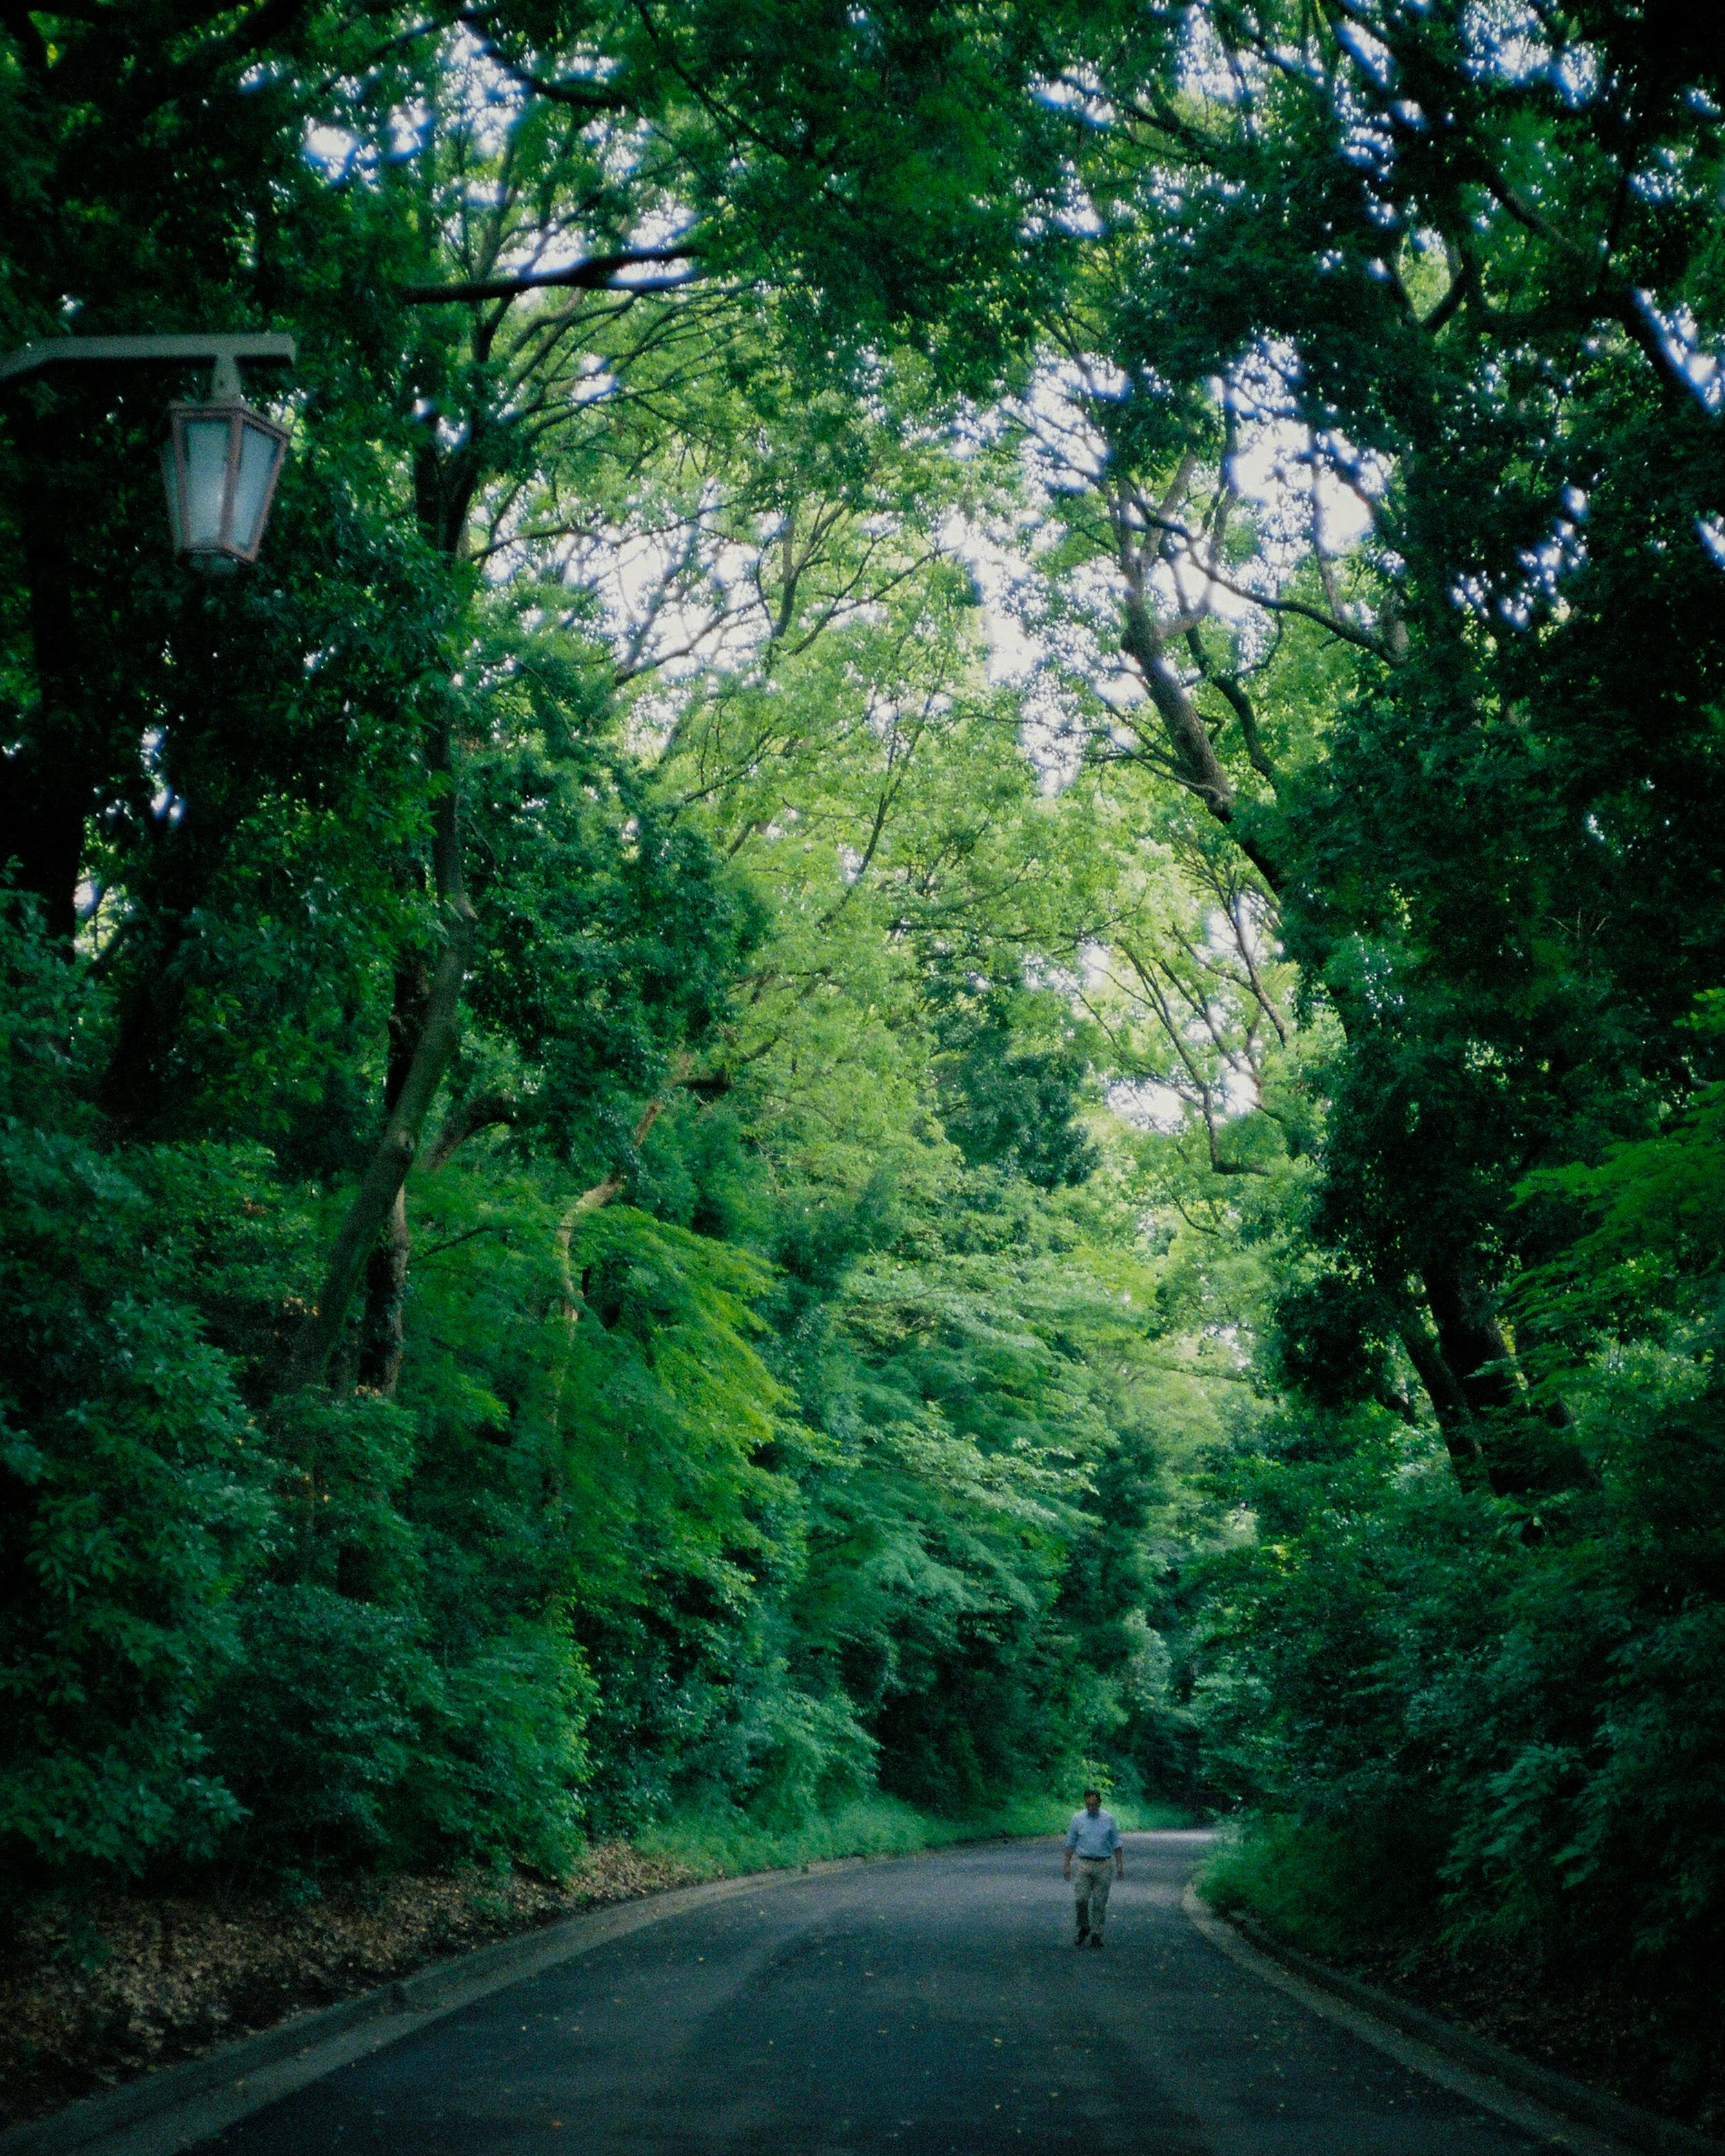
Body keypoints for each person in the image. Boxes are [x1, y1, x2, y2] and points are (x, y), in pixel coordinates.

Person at [1063, 1787, 1124, 1948]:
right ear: (1085, 1803)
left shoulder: (1108, 1819)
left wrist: (1120, 1865)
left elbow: (1117, 1843)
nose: (1091, 1808)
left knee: (1099, 1902)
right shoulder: (1077, 1819)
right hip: (1084, 1863)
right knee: (1081, 1899)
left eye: (1094, 1805)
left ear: (1099, 1803)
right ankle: (1084, 1927)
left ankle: (1097, 1934)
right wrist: (1067, 1865)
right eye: (1088, 1805)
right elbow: (1070, 1843)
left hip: (1104, 1864)